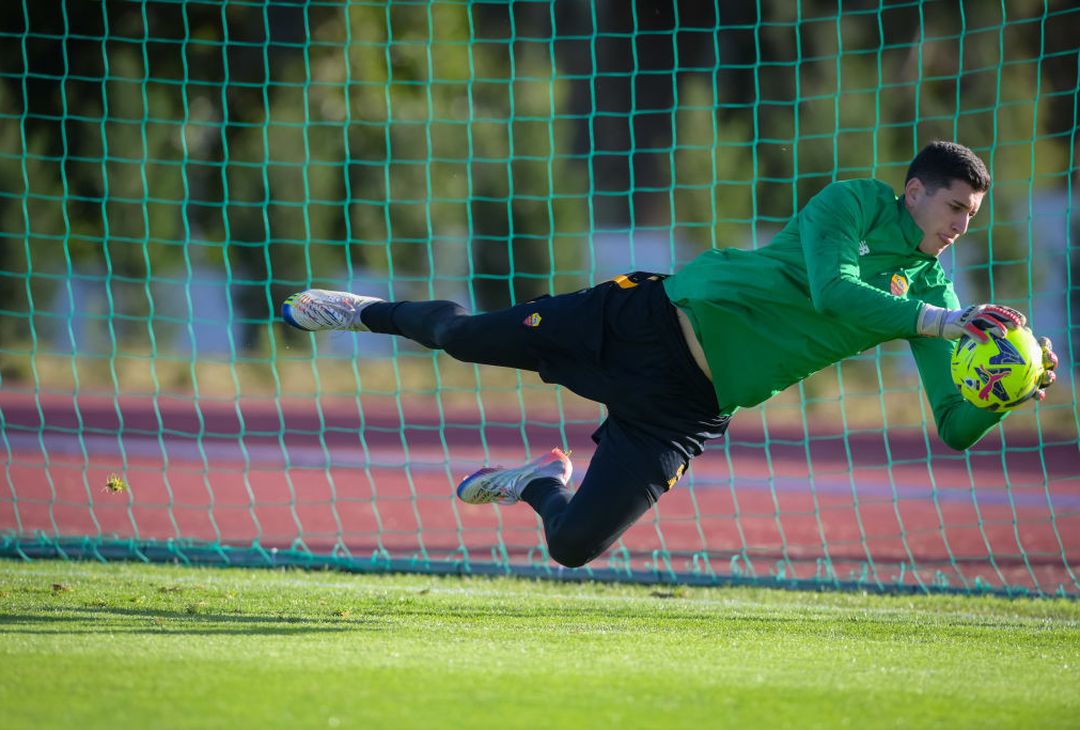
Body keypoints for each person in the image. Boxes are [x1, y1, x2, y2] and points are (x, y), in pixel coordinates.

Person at [281, 141, 1058, 569]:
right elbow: (832, 291)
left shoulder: (934, 296)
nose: (961, 225)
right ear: (914, 190)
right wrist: (940, 320)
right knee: (461, 338)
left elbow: (953, 427)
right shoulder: (854, 203)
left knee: (573, 546)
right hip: (645, 319)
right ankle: (364, 310)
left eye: (972, 215)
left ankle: (538, 481)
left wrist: (1006, 393)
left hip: (685, 408)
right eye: (954, 206)